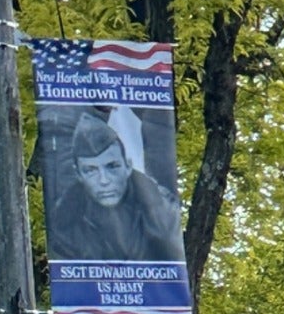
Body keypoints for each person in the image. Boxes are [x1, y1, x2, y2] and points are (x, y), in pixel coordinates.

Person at [45, 109, 184, 263]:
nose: (104, 180)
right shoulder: (64, 225)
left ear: (128, 166)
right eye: (91, 170)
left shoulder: (163, 213)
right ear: (78, 175)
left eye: (112, 166)